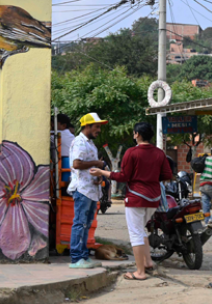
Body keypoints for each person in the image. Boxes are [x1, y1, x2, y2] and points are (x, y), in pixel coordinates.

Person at [91, 122, 172, 281]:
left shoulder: (131, 153)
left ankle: (140, 272)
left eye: (135, 133)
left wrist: (102, 172)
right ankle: (148, 262)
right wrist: (151, 178)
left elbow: (123, 177)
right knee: (141, 230)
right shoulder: (159, 153)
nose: (134, 135)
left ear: (137, 135)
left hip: (136, 197)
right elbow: (167, 174)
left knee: (135, 233)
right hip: (154, 198)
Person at [67, 113, 107, 269]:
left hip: (91, 189)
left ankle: (83, 256)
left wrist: (97, 176)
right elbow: (76, 164)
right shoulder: (79, 142)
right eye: (96, 127)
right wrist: (97, 163)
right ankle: (76, 258)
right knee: (80, 223)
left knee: (86, 224)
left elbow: (88, 167)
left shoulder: (90, 143)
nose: (99, 130)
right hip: (82, 190)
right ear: (87, 126)